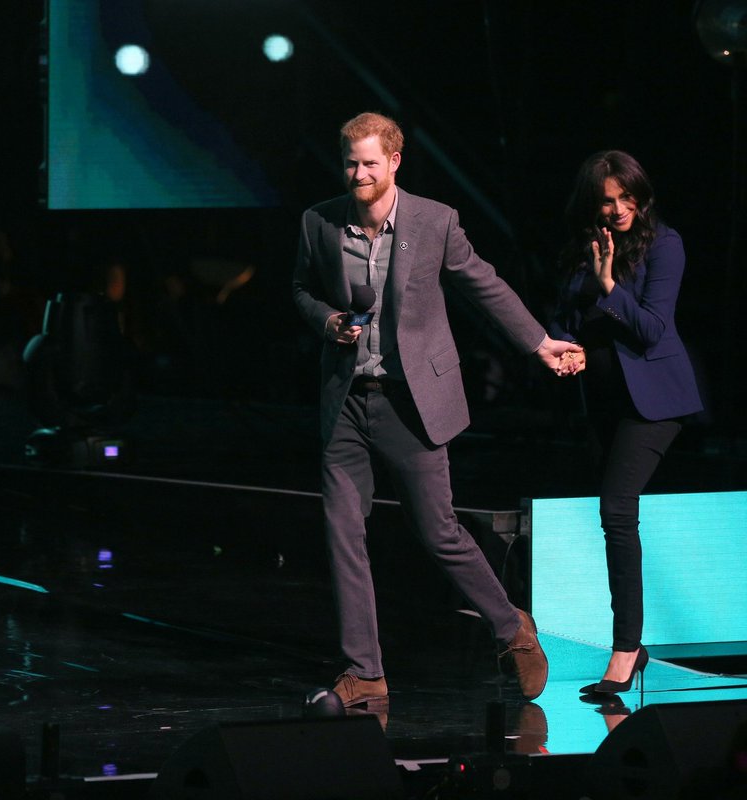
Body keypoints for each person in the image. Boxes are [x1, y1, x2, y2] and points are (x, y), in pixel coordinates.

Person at [292, 111, 581, 707]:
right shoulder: (319, 222)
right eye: (350, 161)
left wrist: (539, 343)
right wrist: (327, 321)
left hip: (411, 403)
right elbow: (300, 289)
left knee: (439, 531)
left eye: (371, 162)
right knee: (342, 532)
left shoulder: (434, 221)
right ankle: (365, 672)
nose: (359, 173)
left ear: (395, 162)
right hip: (347, 400)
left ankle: (513, 629)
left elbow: (484, 284)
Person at [548, 150, 703, 697]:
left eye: (625, 199)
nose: (616, 209)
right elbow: (566, 316)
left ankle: (626, 649)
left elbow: (654, 331)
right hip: (605, 401)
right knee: (613, 514)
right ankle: (628, 645)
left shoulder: (666, 246)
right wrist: (566, 348)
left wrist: (610, 284)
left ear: (640, 195)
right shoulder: (583, 247)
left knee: (617, 510)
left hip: (656, 402)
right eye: (606, 201)